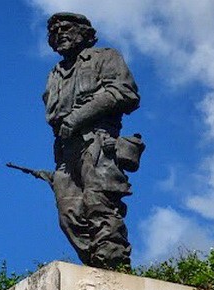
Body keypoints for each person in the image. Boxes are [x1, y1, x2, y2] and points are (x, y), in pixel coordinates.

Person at [42, 12, 142, 270]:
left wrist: (78, 117)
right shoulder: (55, 73)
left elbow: (125, 92)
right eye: (54, 31)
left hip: (97, 143)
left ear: (84, 33)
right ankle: (97, 264)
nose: (59, 33)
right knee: (69, 215)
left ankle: (114, 266)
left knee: (100, 205)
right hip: (65, 153)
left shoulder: (105, 57)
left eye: (66, 28)